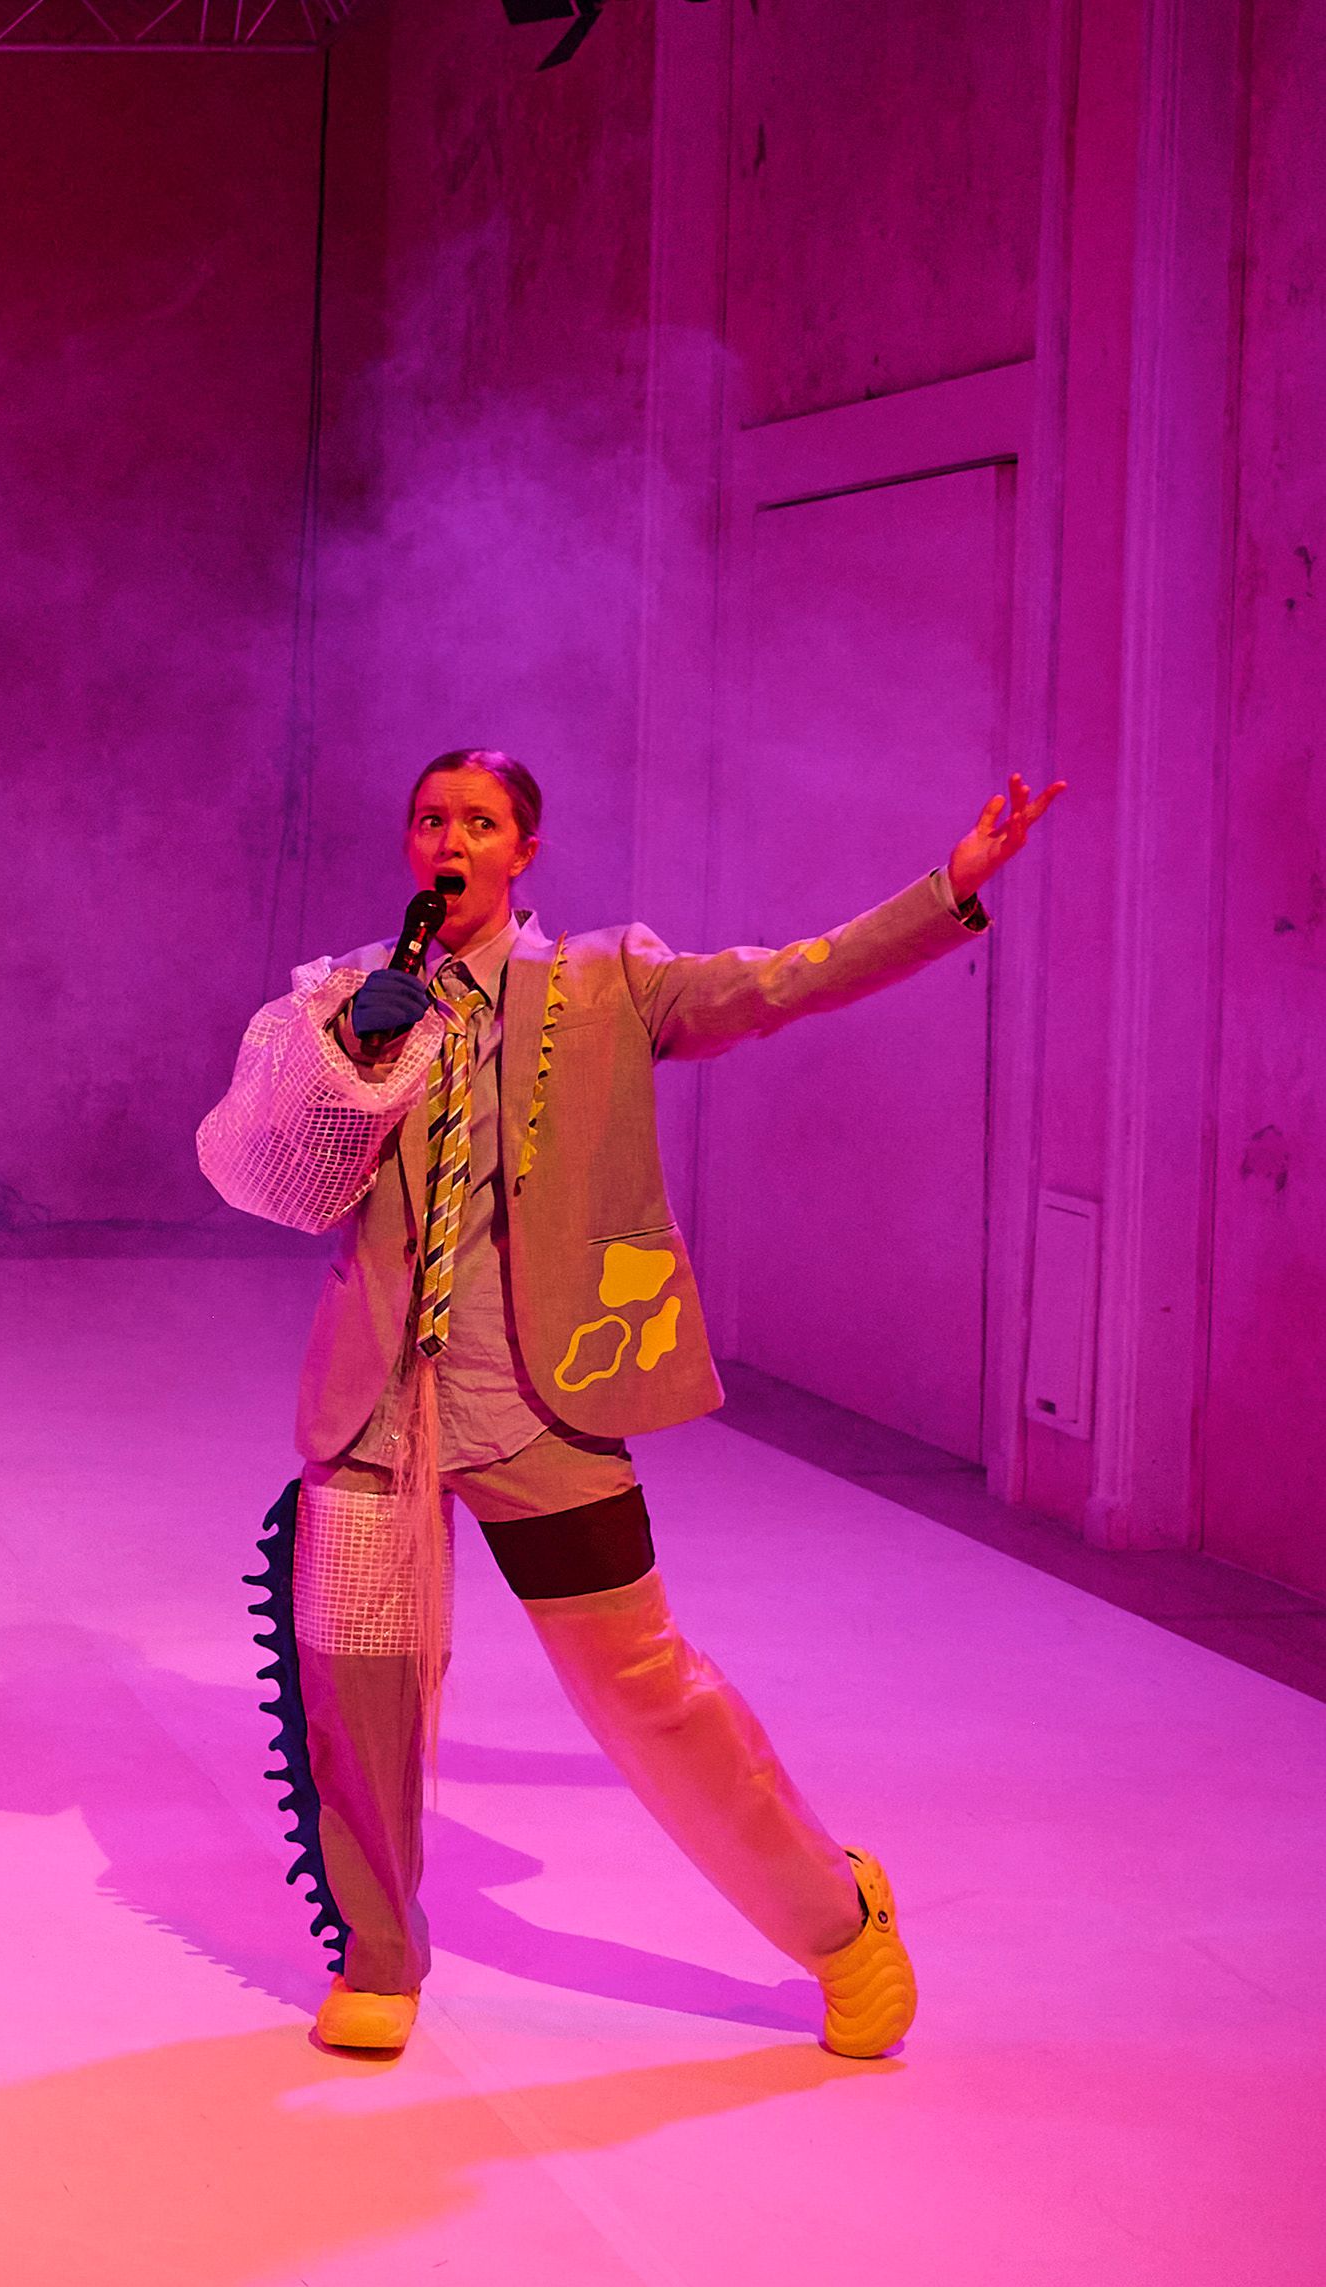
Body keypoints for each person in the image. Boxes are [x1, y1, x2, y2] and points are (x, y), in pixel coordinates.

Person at [199, 747, 1063, 2058]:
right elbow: (272, 1177)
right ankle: (379, 1956)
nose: (449, 840)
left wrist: (944, 889)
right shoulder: (340, 994)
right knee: (360, 1689)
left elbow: (784, 980)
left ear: (522, 850)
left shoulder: (604, 981)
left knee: (644, 1687)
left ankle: (837, 1918)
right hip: (377, 1406)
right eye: (429, 818)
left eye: (477, 821)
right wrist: (347, 1054)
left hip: (538, 1405)